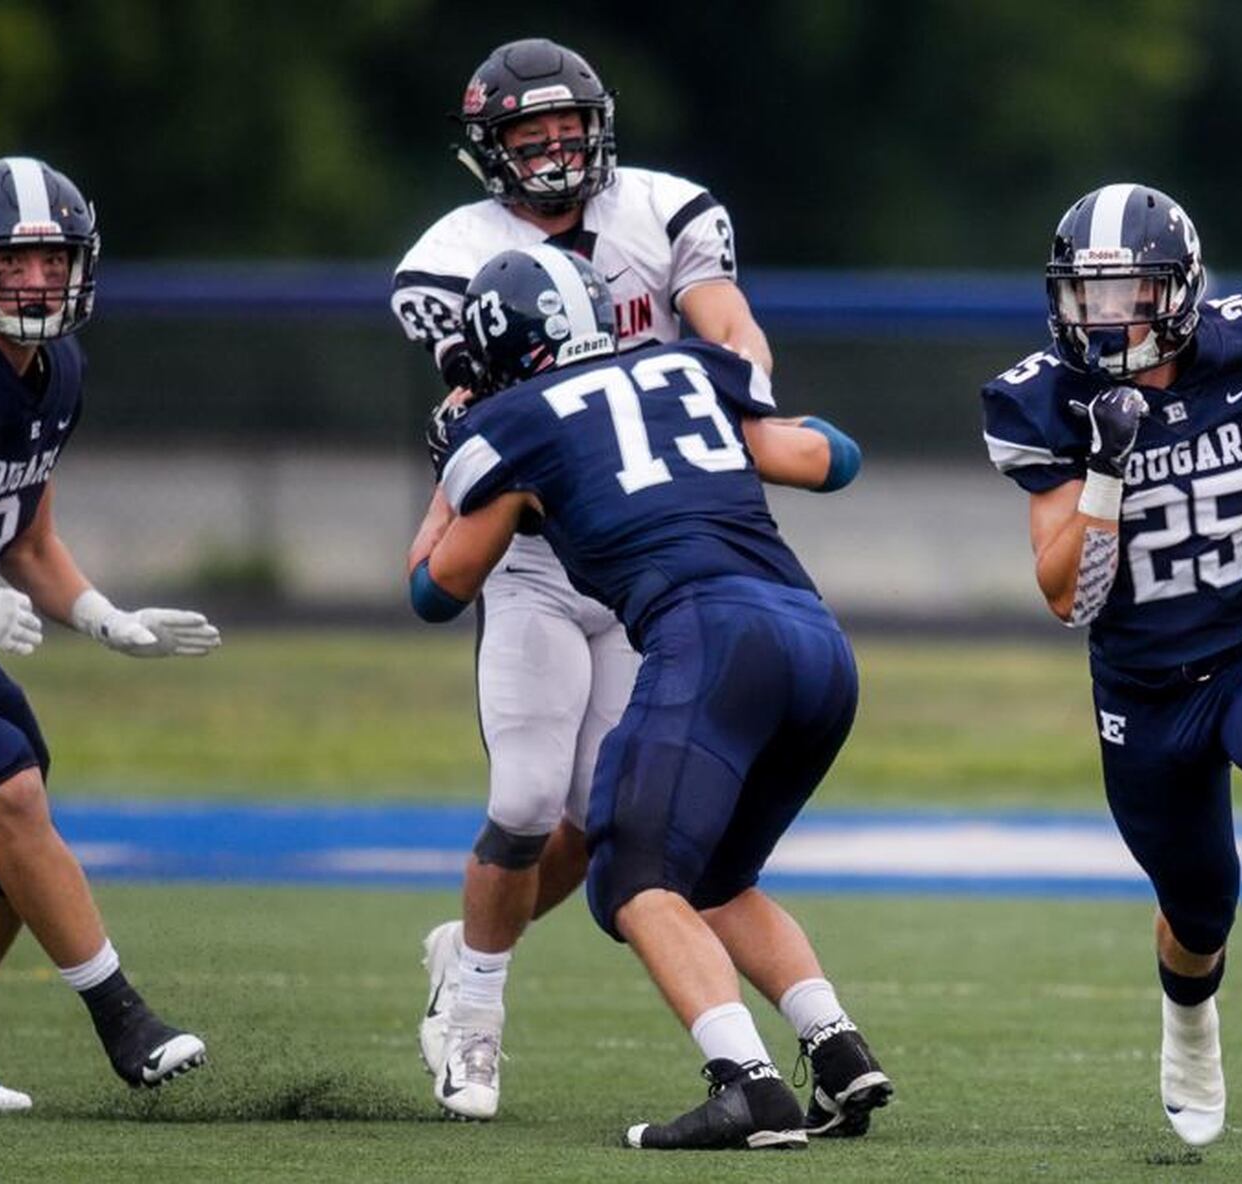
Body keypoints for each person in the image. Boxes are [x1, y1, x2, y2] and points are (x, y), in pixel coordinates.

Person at [407, 245, 891, 1148]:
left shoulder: (513, 421)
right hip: (818, 645)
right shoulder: (688, 368)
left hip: (708, 641)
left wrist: (452, 484)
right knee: (715, 875)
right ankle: (834, 1049)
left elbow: (437, 591)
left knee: (632, 869)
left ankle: (745, 1080)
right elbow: (836, 461)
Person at [389, 37, 777, 1123]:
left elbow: (728, 325)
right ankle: (473, 1009)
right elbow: (474, 419)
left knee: (602, 818)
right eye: (530, 133)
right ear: (490, 149)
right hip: (532, 555)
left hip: (641, 560)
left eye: (570, 127)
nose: (556, 149)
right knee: (521, 801)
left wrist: (740, 408)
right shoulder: (452, 254)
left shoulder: (666, 211)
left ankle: (466, 949)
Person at [980, 183, 1242, 1147]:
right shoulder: (1045, 400)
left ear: (1180, 291)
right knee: (1197, 910)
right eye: (1086, 294)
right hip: (1141, 687)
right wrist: (1104, 471)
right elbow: (1068, 599)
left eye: (1130, 291)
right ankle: (1189, 1028)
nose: (1106, 314)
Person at [0, 157, 221, 1111]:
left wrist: (104, 616)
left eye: (51, 261)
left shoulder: (59, 368)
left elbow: (25, 534)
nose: (33, 282)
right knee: (9, 790)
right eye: (11, 263)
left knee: (9, 839)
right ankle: (123, 1018)